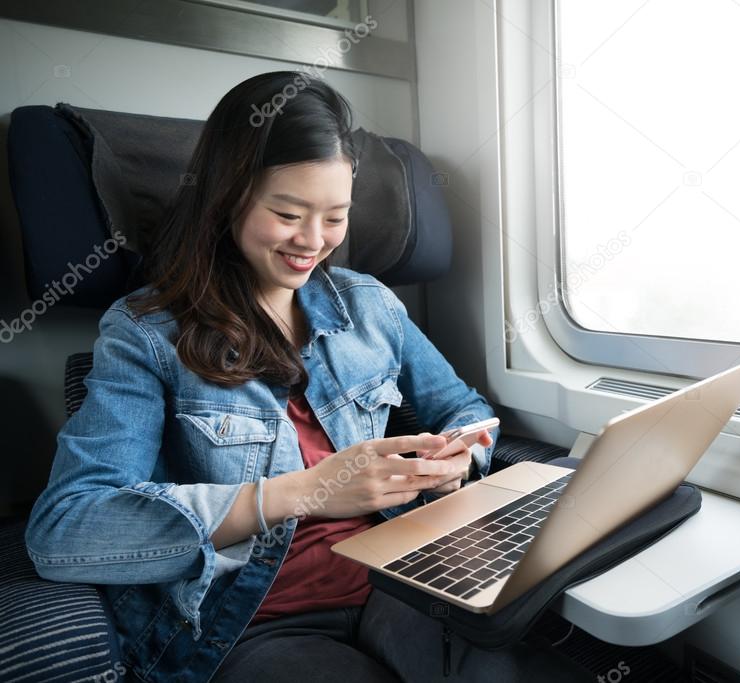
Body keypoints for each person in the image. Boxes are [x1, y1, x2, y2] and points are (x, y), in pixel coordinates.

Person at [24, 71, 589, 682]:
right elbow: (67, 529)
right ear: (228, 198)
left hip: (396, 577)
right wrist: (303, 492)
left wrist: (461, 456)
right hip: (252, 620)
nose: (313, 242)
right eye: (288, 213)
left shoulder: (370, 306)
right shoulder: (145, 335)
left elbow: (464, 409)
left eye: (335, 217)